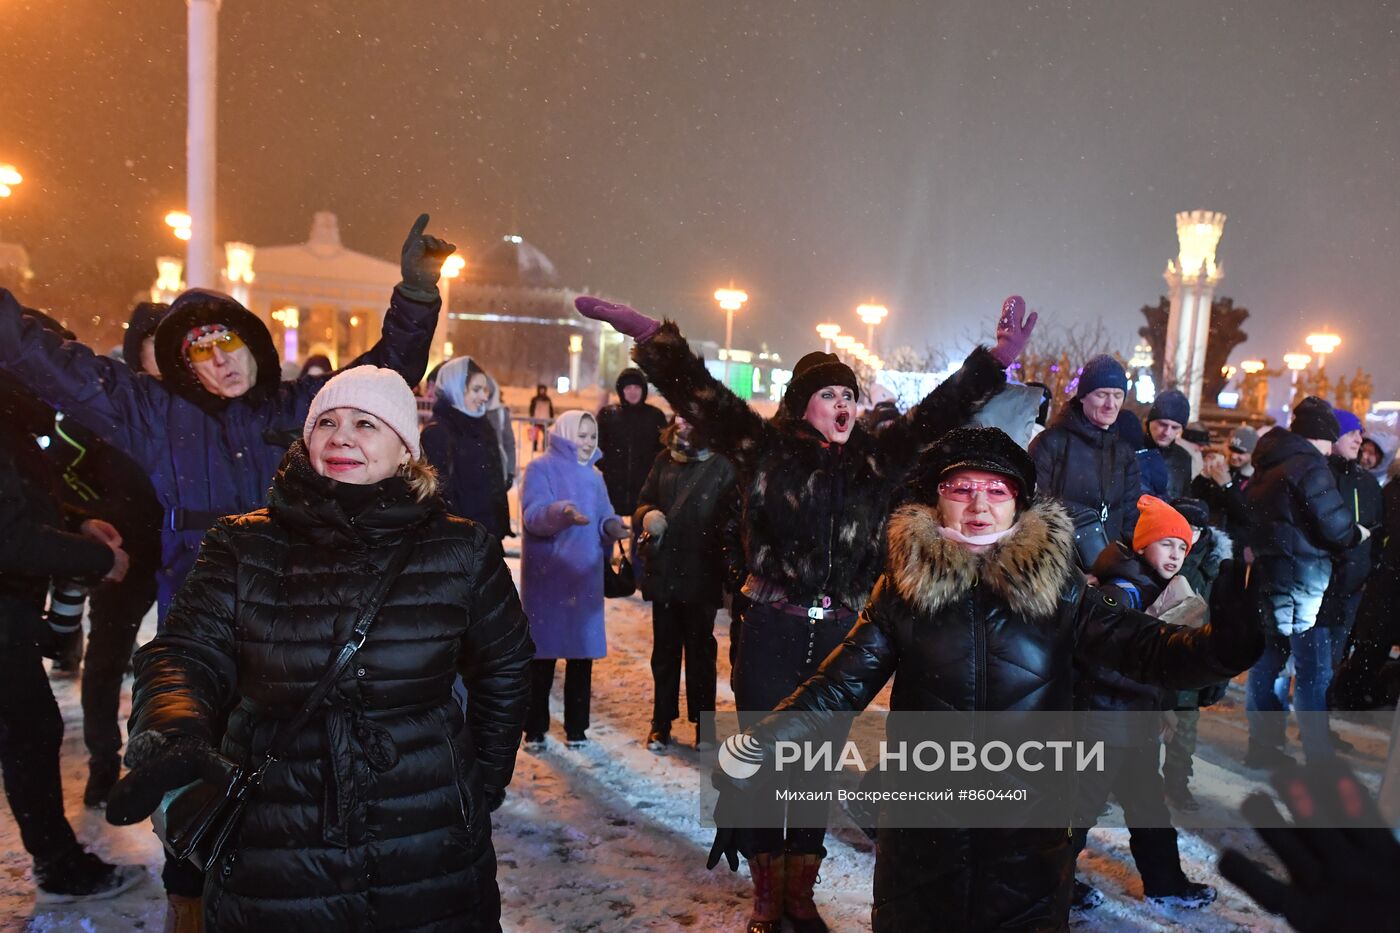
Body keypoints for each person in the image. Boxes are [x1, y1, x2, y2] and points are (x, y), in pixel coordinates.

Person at [0, 214, 453, 927]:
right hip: (204, 614)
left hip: (298, 616)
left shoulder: (293, 407)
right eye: (201, 351)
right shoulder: (152, 413)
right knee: (198, 761)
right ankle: (191, 897)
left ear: (253, 341)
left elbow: (385, 373)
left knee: (291, 776)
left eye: (230, 341)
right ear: (181, 363)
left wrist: (417, 294)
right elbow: (44, 357)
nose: (221, 361)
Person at [577, 293, 1034, 931]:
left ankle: (801, 892)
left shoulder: (877, 458)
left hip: (841, 637)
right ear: (803, 404)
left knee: (817, 765)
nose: (845, 405)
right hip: (771, 627)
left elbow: (939, 413)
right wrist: (655, 340)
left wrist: (995, 361)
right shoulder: (764, 449)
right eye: (830, 395)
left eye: (850, 395)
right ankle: (768, 896)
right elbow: (701, 397)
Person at [707, 427, 1262, 932]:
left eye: (996, 490)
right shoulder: (902, 589)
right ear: (937, 498)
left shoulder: (1060, 590)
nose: (978, 504)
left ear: (1018, 501)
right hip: (922, 841)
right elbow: (838, 687)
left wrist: (1223, 647)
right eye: (962, 487)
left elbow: (1148, 649)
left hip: (1025, 842)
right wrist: (763, 742)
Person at [104, 366, 534, 930]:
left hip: (425, 826)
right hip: (276, 825)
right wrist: (174, 727)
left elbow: (504, 665)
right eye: (325, 422)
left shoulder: (460, 547)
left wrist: (482, 778)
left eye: (365, 424)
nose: (341, 437)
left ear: (405, 449)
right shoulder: (243, 542)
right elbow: (184, 651)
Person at [0, 375, 145, 903]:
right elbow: (9, 535)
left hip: (13, 608)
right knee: (29, 729)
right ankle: (58, 864)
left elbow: (19, 505)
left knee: (31, 728)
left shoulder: (15, 419)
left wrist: (77, 525)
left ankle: (57, 858)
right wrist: (97, 558)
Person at [1071, 496, 1217, 911]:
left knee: (1149, 808)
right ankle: (1051, 884)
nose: (1176, 554)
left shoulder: (1156, 589)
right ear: (1142, 544)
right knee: (1077, 812)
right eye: (1167, 543)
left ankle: (1166, 883)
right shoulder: (1122, 591)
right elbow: (1102, 660)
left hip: (1131, 723)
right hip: (1100, 723)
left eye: (1183, 548)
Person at [1244, 397, 1366, 766]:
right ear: (1322, 436)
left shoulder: (1270, 464)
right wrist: (1356, 534)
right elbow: (1334, 524)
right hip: (1304, 588)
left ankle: (1263, 747)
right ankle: (1319, 756)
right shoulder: (1309, 466)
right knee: (1314, 672)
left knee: (1267, 666)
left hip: (1272, 580)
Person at [520, 410, 629, 748]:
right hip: (549, 577)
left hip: (584, 577)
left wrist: (613, 526)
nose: (587, 442)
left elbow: (604, 514)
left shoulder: (595, 477)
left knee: (581, 657)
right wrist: (561, 512)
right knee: (542, 657)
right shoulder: (541, 468)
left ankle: (576, 728)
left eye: (592, 437)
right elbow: (533, 516)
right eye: (581, 435)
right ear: (565, 434)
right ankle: (535, 726)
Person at [634, 416, 737, 751]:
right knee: (663, 654)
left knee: (701, 655)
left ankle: (703, 726)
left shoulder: (721, 465)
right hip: (665, 574)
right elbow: (643, 501)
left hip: (702, 574)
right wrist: (648, 515)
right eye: (679, 414)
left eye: (691, 415)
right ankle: (660, 723)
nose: (684, 422)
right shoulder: (664, 459)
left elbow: (733, 518)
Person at [1029, 354, 1142, 568]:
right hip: (1059, 566)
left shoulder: (1124, 454)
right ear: (1082, 397)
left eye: (1118, 395)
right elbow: (1032, 508)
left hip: (1109, 566)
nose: (1111, 404)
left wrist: (1119, 565)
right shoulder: (1051, 443)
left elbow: (1130, 518)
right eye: (1102, 394)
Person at [1161, 497, 1236, 811]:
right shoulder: (1160, 556)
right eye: (1182, 528)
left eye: (1193, 529)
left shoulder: (1217, 568)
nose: (1187, 536)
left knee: (1184, 733)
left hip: (1192, 661)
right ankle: (1123, 783)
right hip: (1156, 658)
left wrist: (1217, 674)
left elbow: (1224, 623)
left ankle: (1177, 784)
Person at [1316, 407, 1383, 676]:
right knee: (1311, 662)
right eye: (1351, 433)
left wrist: (1369, 569)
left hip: (1351, 588)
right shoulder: (1319, 474)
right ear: (1334, 436)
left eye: (1360, 434)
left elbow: (1378, 531)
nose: (1359, 440)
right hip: (1320, 586)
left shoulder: (1367, 483)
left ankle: (1318, 709)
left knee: (1332, 658)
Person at [421, 356, 511, 539]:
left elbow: (492, 484)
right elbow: (438, 496)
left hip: (488, 536)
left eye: (485, 390)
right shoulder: (437, 433)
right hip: (459, 542)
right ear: (455, 389)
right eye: (476, 390)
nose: (484, 397)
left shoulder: (483, 426)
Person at [596, 367, 668, 517]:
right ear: (621, 390)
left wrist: (653, 472)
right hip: (612, 488)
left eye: (637, 387)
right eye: (628, 387)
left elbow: (664, 451)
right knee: (608, 530)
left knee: (641, 534)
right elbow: (597, 446)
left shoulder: (655, 416)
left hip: (645, 490)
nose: (633, 391)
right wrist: (608, 467)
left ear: (643, 390)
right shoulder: (608, 415)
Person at [1144, 389, 1193, 498]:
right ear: (1150, 422)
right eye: (1162, 424)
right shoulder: (1129, 450)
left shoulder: (1183, 458)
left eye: (1175, 427)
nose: (1167, 432)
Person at [528, 383, 554, 452]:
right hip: (536, 419)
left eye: (543, 390)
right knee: (535, 435)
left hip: (545, 420)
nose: (542, 391)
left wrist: (551, 419)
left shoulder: (548, 399)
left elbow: (550, 410)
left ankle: (544, 447)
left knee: (545, 435)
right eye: (541, 389)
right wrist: (531, 418)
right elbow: (531, 409)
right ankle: (534, 447)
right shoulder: (534, 399)